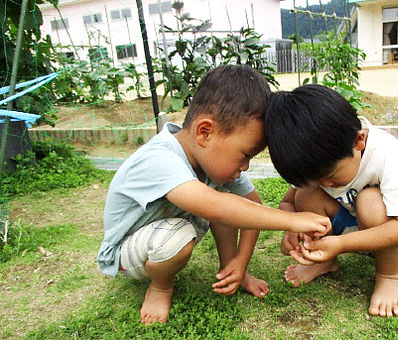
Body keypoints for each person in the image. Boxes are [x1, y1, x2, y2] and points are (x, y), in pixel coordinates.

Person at [96, 65, 331, 325]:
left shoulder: (212, 163)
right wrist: (292, 221)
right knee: (187, 229)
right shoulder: (158, 159)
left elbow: (252, 206)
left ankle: (228, 270)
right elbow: (217, 208)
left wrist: (240, 264)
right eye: (245, 155)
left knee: (227, 200)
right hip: (127, 253)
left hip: (167, 232)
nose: (245, 167)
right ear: (205, 132)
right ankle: (161, 286)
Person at [264, 84, 398, 317]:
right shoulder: (320, 159)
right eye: (317, 179)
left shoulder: (389, 155)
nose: (326, 185)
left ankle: (388, 276)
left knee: (370, 203)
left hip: (396, 235)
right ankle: (325, 261)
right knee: (305, 194)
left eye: (331, 177)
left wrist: (340, 244)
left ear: (359, 141)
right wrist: (292, 226)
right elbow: (289, 202)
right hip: (353, 224)